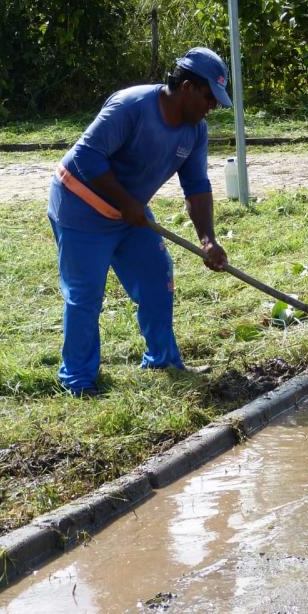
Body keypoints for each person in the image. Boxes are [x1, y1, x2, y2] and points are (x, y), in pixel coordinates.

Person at [46, 47, 231, 397]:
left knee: (157, 277)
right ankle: (78, 379)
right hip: (79, 208)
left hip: (129, 212)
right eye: (209, 98)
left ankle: (162, 359)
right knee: (85, 296)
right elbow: (87, 156)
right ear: (189, 87)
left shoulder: (195, 132)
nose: (212, 108)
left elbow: (196, 186)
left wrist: (208, 238)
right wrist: (127, 204)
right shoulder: (131, 106)